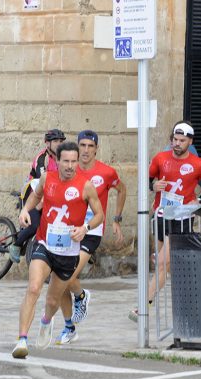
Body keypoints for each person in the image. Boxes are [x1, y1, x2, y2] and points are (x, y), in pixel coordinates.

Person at [12, 142, 104, 359]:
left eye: (74, 161)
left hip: (68, 251)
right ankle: (22, 340)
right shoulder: (47, 178)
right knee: (34, 288)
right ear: (58, 161)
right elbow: (35, 196)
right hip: (44, 243)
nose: (70, 165)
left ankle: (46, 322)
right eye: (66, 161)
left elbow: (99, 214)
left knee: (53, 301)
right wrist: (25, 210)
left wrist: (85, 228)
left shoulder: (86, 186)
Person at [129, 121, 201, 322]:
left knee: (162, 263)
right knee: (164, 267)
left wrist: (199, 200)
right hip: (161, 215)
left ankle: (143, 307)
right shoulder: (160, 158)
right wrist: (154, 185)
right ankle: (195, 305)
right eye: (174, 140)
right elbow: (147, 179)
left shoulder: (198, 164)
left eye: (182, 141)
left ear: (190, 141)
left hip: (181, 218)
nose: (177, 144)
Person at [56, 130, 126, 344]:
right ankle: (70, 325)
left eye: (90, 146)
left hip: (91, 231)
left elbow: (122, 190)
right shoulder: (69, 169)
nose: (86, 150)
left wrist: (116, 219)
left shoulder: (106, 172)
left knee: (65, 277)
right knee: (59, 280)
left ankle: (81, 297)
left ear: (96, 149)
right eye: (82, 145)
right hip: (68, 230)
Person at [9, 129, 66, 263]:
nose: (58, 144)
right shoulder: (42, 159)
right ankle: (16, 245)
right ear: (47, 143)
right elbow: (43, 183)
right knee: (34, 225)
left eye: (60, 141)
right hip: (33, 193)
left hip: (50, 194)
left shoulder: (64, 157)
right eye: (55, 141)